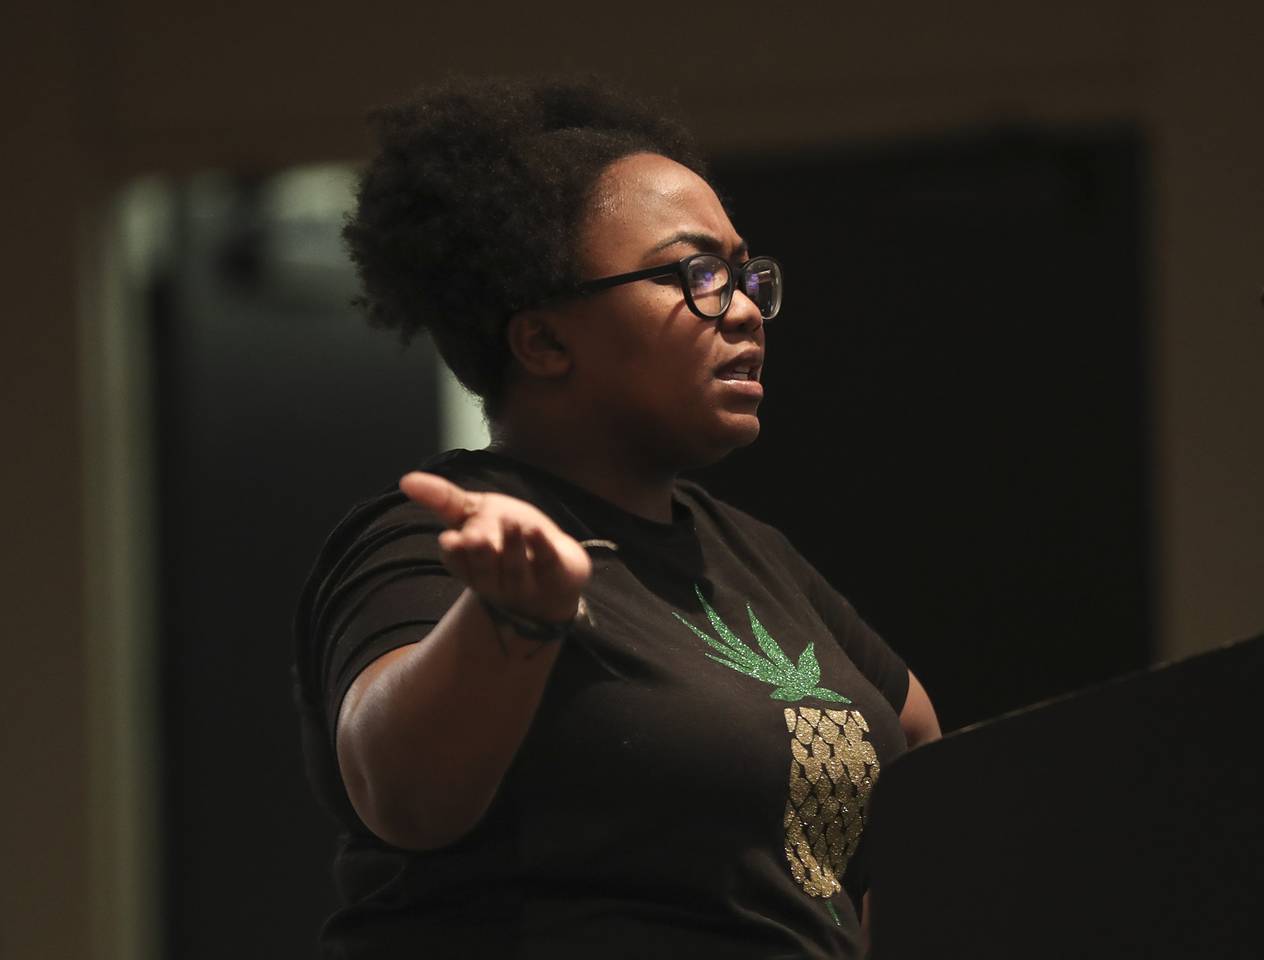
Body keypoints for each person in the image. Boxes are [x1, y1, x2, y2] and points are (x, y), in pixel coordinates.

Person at [293, 75, 941, 959]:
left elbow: (923, 762)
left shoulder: (753, 554)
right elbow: (396, 792)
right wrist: (511, 618)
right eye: (696, 275)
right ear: (546, 341)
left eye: (744, 273)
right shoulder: (444, 538)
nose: (745, 308)